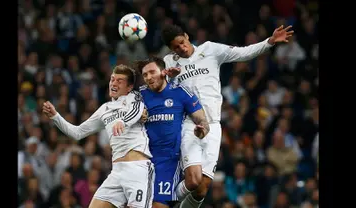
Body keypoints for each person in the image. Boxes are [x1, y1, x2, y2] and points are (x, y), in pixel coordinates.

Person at [161, 24, 294, 208]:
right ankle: (160, 201)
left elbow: (242, 53)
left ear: (186, 36)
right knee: (192, 179)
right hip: (189, 124)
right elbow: (162, 92)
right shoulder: (169, 62)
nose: (181, 48)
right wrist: (170, 78)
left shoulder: (210, 49)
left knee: (202, 188)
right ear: (170, 49)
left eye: (182, 43)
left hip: (213, 125)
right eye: (176, 47)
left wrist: (269, 42)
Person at [42, 64, 155, 208]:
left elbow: (137, 111)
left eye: (119, 81)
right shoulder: (104, 109)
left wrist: (123, 121)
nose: (114, 83)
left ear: (129, 87)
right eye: (112, 79)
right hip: (117, 171)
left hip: (137, 169)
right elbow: (77, 133)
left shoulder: (135, 97)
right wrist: (55, 116)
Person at [135, 56, 210, 208]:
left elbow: (203, 122)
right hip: (142, 160)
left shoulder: (180, 93)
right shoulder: (139, 96)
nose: (148, 77)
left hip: (167, 160)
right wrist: (135, 115)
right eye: (145, 75)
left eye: (152, 72)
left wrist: (201, 131)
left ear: (163, 72)